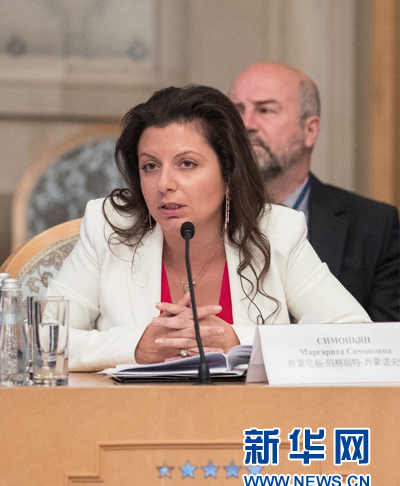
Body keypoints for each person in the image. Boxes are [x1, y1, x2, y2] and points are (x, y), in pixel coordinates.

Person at [47, 85, 370, 371]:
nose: (164, 183)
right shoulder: (109, 226)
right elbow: (42, 338)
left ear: (228, 173)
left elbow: (357, 339)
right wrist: (135, 348)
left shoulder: (277, 232)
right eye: (150, 166)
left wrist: (240, 342)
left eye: (187, 164)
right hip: (131, 415)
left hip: (248, 416)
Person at [229, 62, 400, 321]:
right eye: (237, 110)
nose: (246, 123)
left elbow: (386, 338)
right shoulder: (205, 218)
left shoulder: (374, 225)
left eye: (265, 110)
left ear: (310, 130)